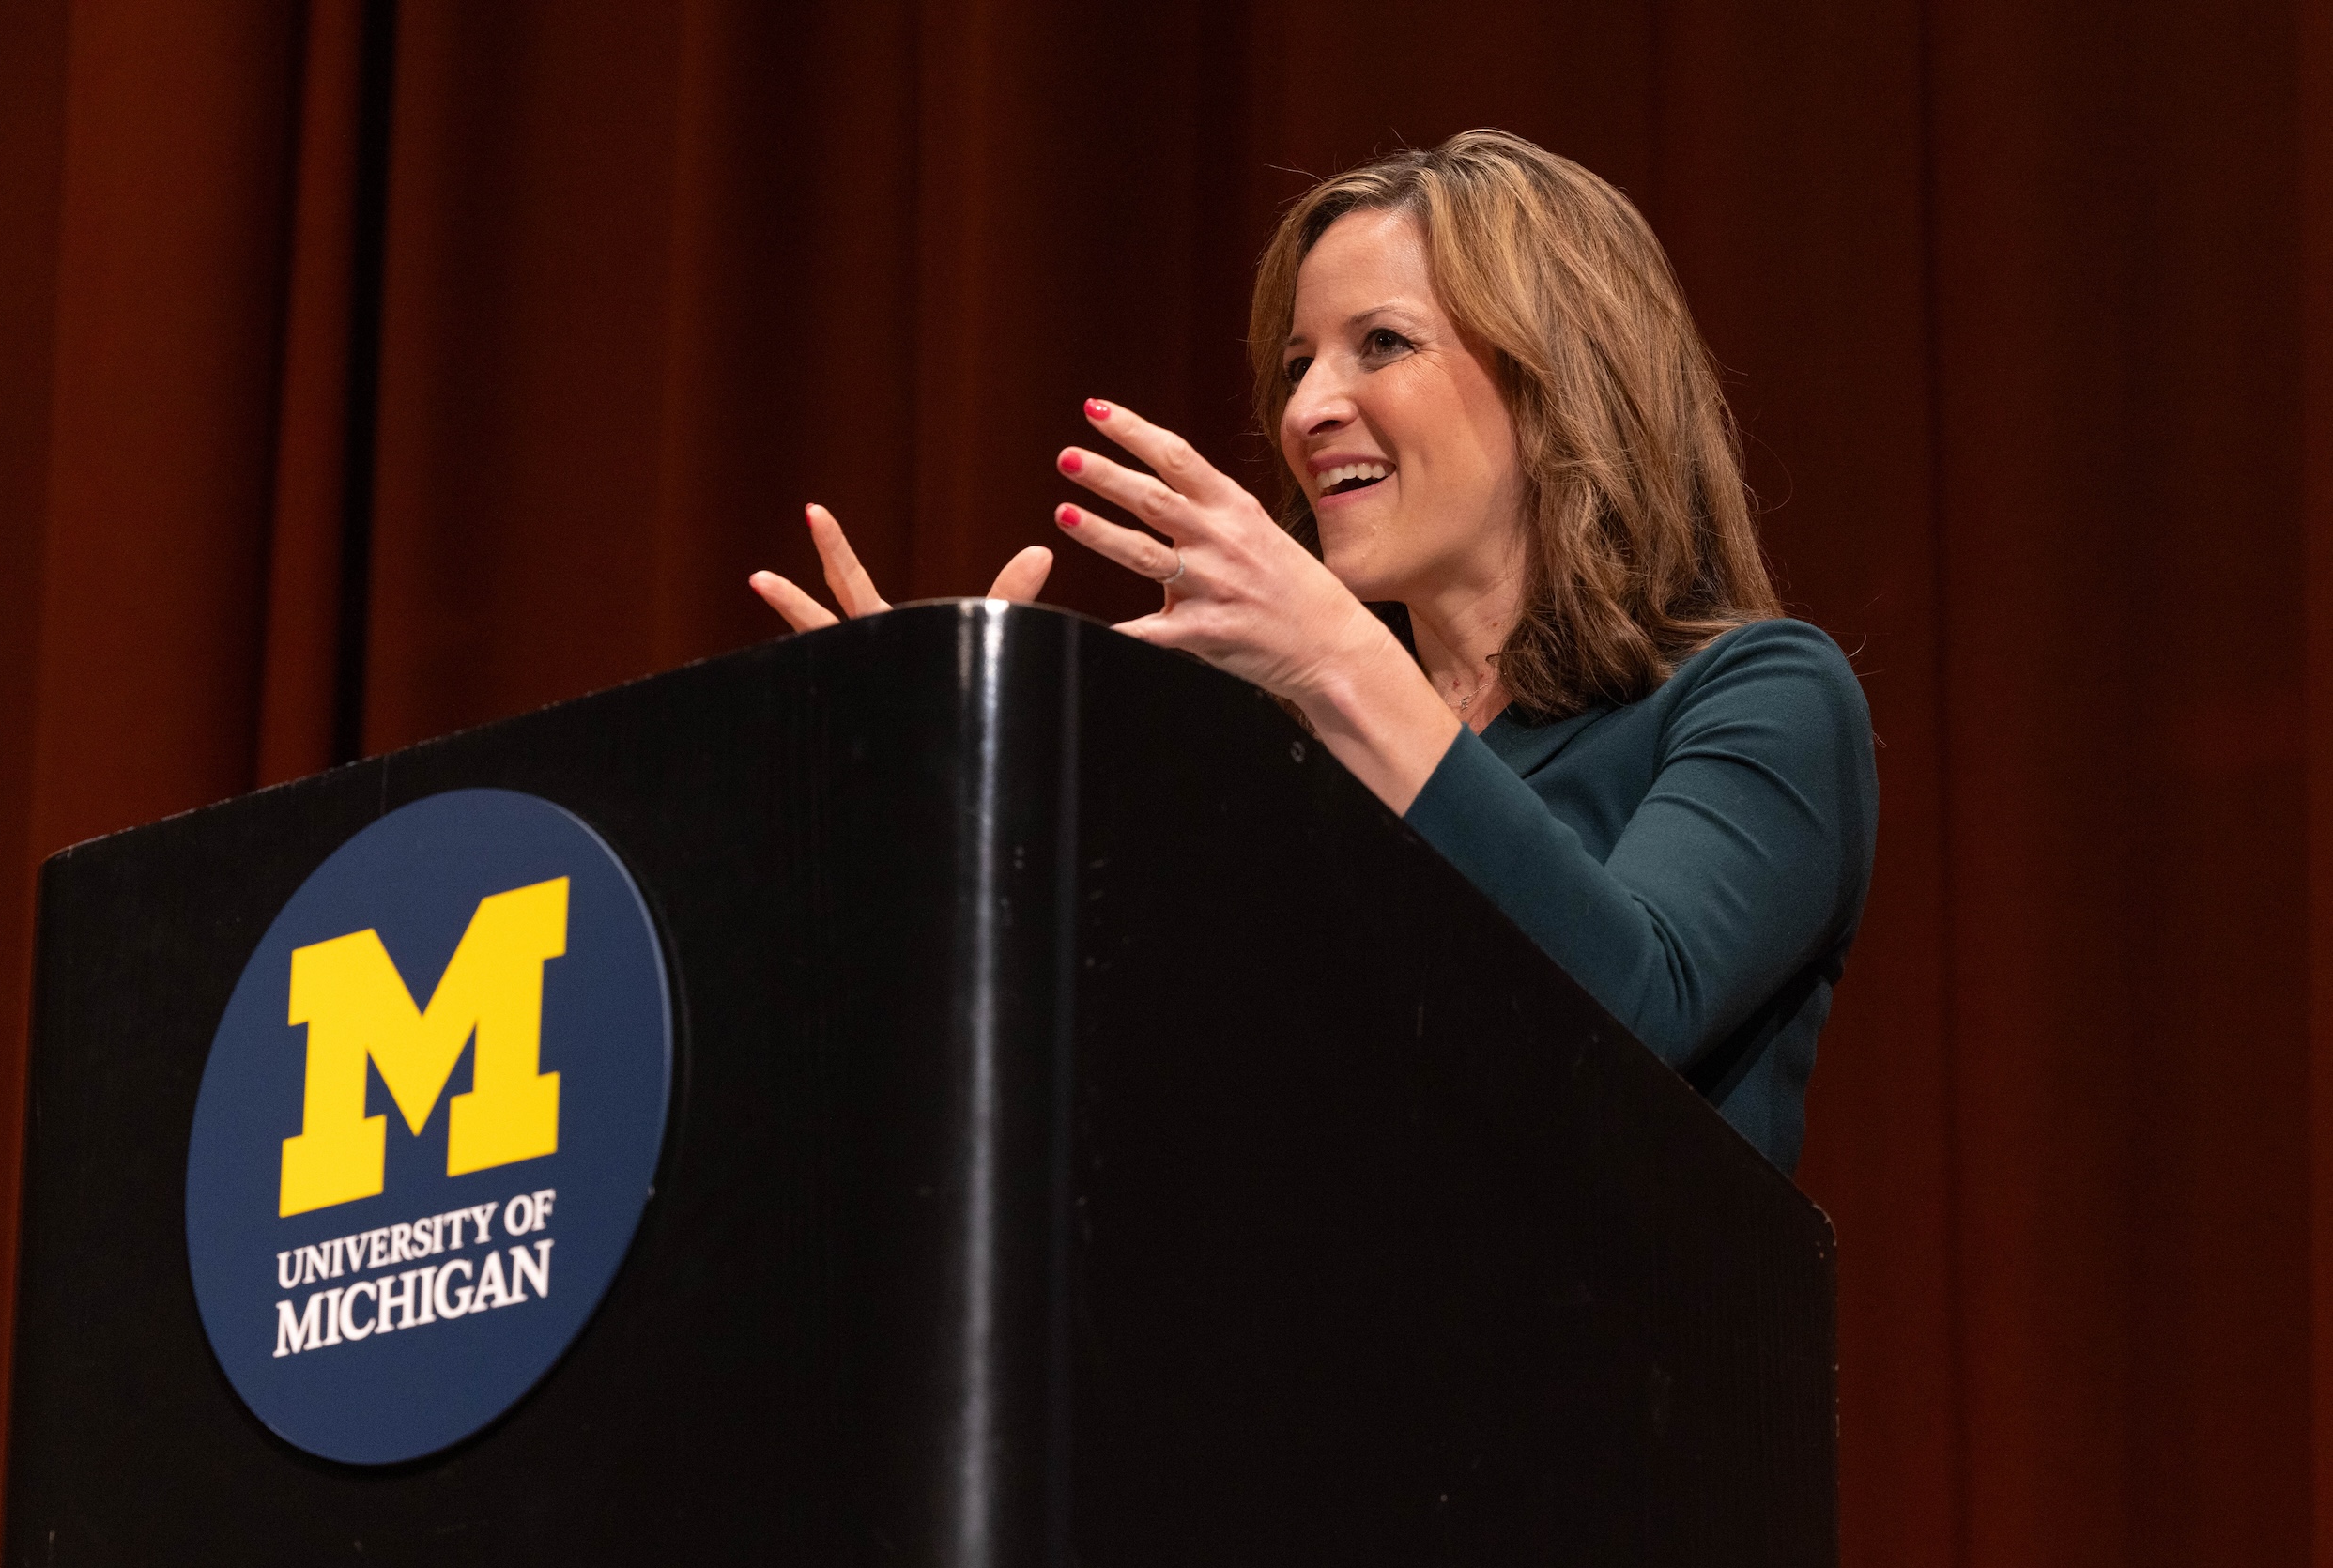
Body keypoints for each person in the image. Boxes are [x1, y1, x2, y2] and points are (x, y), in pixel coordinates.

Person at [751, 131, 1876, 1175]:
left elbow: (1631, 1012)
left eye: (1380, 344)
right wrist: (946, 818)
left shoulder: (1761, 697)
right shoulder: (1266, 762)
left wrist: (1337, 657)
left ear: (1558, 380)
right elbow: (1095, 1109)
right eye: (1296, 365)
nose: (1306, 410)